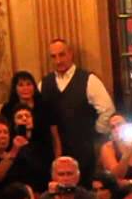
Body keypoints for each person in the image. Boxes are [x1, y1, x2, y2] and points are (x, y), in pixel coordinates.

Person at [40, 39, 115, 177]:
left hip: (84, 150)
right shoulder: (44, 83)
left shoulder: (89, 80)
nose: (58, 60)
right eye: (53, 56)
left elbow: (107, 110)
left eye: (61, 55)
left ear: (70, 54)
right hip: (54, 152)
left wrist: (95, 132)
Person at [3, 70, 60, 161]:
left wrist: (58, 159)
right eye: (21, 85)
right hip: (18, 157)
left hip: (44, 155)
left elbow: (55, 137)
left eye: (29, 84)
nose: (25, 88)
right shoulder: (7, 109)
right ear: (15, 88)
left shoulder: (45, 106)